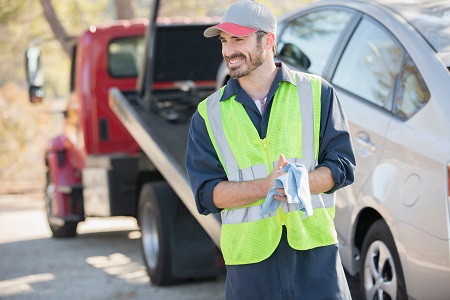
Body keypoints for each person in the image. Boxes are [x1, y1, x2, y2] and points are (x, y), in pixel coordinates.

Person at [185, 1, 356, 299]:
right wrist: (265, 187)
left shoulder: (317, 93)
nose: (228, 51)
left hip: (315, 260)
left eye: (238, 40)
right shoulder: (207, 115)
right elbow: (206, 194)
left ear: (269, 41)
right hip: (250, 268)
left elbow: (342, 167)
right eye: (224, 42)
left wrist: (301, 182)